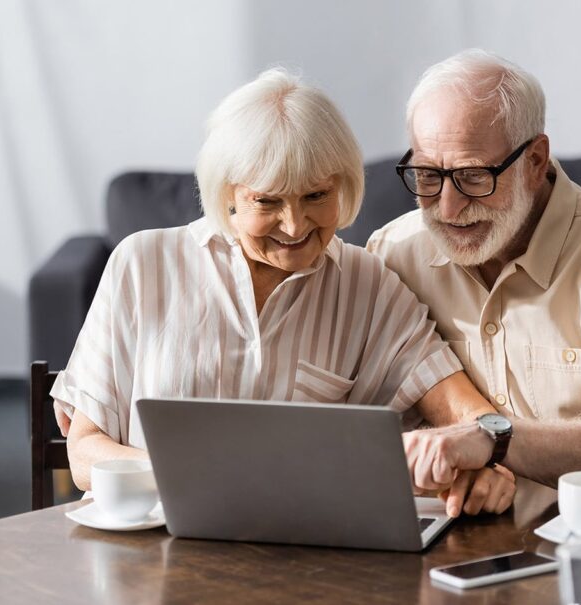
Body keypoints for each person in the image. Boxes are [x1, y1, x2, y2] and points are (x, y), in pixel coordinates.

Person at [51, 68, 515, 517]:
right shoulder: (142, 263)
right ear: (227, 195)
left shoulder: (369, 284)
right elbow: (85, 454)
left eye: (316, 196)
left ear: (344, 187)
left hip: (297, 559)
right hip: (149, 548)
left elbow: (465, 411)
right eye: (267, 201)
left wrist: (488, 460)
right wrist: (204, 477)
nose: (295, 227)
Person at [368, 49, 581, 495]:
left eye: (473, 177)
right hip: (483, 541)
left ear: (534, 161)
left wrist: (493, 439)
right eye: (428, 176)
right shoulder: (394, 254)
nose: (448, 208)